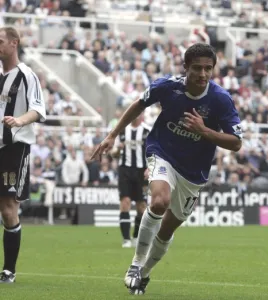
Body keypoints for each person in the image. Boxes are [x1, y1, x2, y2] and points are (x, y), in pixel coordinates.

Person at [91, 43, 242, 295]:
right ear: (186, 68)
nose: (203, 74)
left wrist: (204, 131)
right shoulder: (168, 86)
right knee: (159, 201)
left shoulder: (221, 99)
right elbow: (139, 104)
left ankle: (145, 274)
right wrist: (112, 135)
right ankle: (136, 264)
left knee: (168, 228)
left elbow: (236, 142)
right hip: (162, 152)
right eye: (197, 68)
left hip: (193, 173)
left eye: (208, 69)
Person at [0, 27, 46, 283]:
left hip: (14, 149)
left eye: (0, 41)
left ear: (14, 43)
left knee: (8, 209)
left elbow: (38, 110)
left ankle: (9, 270)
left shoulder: (26, 75)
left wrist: (18, 120)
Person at [111, 113, 150, 248]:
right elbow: (113, 154)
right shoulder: (122, 131)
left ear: (142, 115)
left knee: (141, 206)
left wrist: (150, 168)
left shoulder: (147, 131)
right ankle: (126, 239)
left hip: (142, 171)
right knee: (125, 202)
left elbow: (153, 152)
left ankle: (135, 237)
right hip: (125, 170)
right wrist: (118, 150)